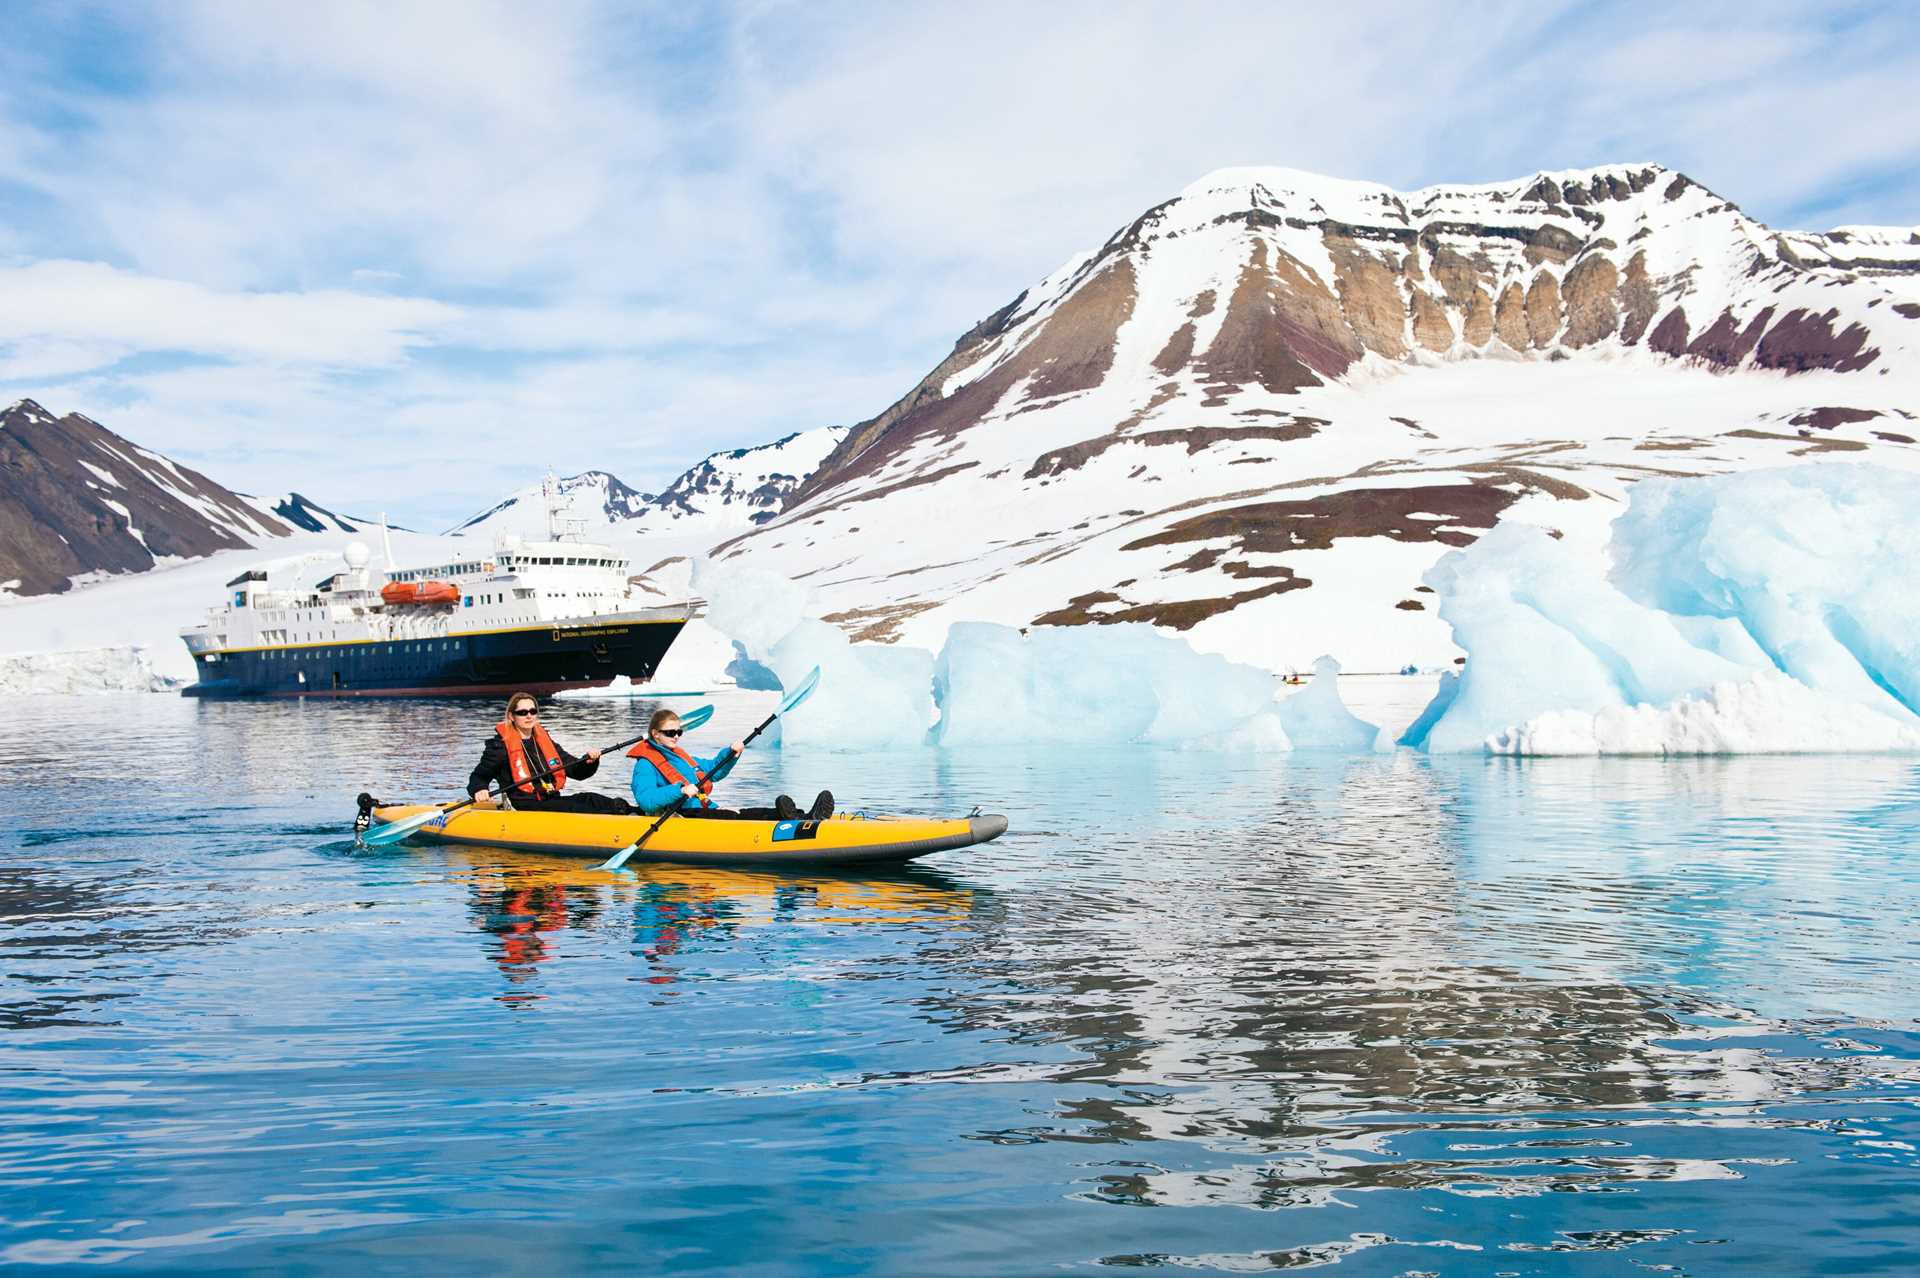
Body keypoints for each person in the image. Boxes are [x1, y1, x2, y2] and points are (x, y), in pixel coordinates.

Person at [628, 707, 832, 821]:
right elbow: (646, 800)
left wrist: (731, 753)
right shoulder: (645, 764)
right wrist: (679, 791)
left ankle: (803, 816)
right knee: (733, 816)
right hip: (681, 816)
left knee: (743, 812)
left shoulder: (679, 756)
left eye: (679, 732)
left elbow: (712, 771)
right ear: (655, 734)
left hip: (700, 809)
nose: (676, 736)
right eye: (670, 733)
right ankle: (790, 819)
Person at [467, 692, 634, 814]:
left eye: (533, 711)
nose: (529, 716)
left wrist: (589, 762)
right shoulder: (499, 747)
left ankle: (634, 812)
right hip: (525, 805)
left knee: (592, 799)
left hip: (551, 800)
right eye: (522, 713)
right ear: (512, 716)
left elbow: (575, 770)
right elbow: (478, 777)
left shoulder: (545, 742)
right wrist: (480, 789)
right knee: (577, 808)